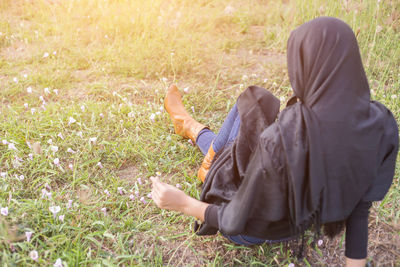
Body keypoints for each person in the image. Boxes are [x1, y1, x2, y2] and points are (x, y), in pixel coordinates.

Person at [150, 17, 398, 267]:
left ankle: (195, 137)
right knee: (255, 107)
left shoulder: (286, 134)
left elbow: (235, 219)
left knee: (250, 102)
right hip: (296, 226)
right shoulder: (381, 124)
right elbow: (360, 208)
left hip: (248, 231)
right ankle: (194, 135)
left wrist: (182, 203)